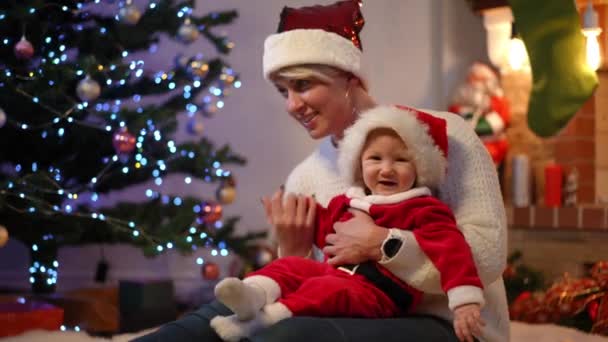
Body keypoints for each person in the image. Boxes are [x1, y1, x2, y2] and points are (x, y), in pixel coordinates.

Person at [134, 1, 509, 341]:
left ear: (351, 79)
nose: (292, 105)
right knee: (210, 322)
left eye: (302, 85)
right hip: (354, 311)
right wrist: (292, 253)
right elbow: (328, 283)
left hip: (453, 325)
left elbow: (489, 254)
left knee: (288, 336)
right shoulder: (306, 177)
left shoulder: (440, 136)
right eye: (283, 91)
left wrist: (382, 243)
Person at [210, 106, 485, 342]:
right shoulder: (350, 201)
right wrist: (295, 214)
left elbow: (452, 249)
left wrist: (465, 300)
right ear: (359, 164)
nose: (386, 169)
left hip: (380, 294)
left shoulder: (422, 208)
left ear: (420, 168)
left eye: (401, 160)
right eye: (375, 158)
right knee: (290, 266)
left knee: (325, 291)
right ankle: (253, 296)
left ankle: (265, 319)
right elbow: (325, 229)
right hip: (335, 274)